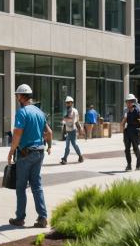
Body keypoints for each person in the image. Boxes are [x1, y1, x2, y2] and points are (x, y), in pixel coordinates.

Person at [8, 84, 52, 228]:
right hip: (39, 152)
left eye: (17, 95)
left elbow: (17, 133)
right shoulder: (39, 112)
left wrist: (11, 151)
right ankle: (42, 217)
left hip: (26, 153)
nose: (16, 97)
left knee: (21, 187)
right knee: (36, 186)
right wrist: (49, 146)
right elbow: (49, 133)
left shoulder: (22, 112)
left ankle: (20, 218)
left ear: (21, 96)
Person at [120, 93, 140, 171]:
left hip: (135, 130)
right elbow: (123, 123)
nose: (128, 103)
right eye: (127, 101)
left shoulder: (137, 111)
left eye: (130, 101)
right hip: (128, 130)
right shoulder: (125, 110)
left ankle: (138, 165)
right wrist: (123, 131)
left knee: (135, 148)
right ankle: (129, 165)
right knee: (127, 149)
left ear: (133, 102)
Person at [60, 96, 84, 164]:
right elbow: (65, 121)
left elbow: (75, 121)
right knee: (67, 145)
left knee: (74, 144)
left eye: (68, 103)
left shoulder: (73, 111)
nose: (67, 104)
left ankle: (80, 156)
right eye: (66, 103)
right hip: (68, 130)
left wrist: (80, 130)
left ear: (71, 103)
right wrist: (64, 129)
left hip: (72, 130)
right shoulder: (67, 110)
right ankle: (65, 158)